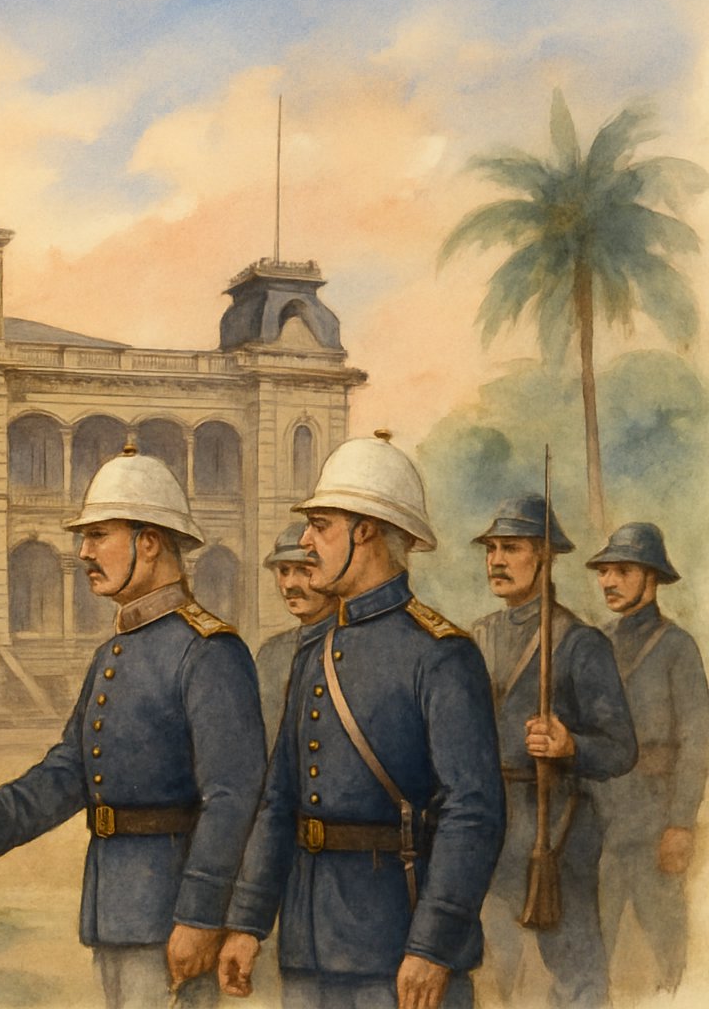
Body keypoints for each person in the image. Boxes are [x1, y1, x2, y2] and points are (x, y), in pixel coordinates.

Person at [0, 445, 267, 1008]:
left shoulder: (209, 651)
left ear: (149, 542)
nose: (83, 551)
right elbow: (69, 771)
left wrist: (200, 915)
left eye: (98, 535)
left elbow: (234, 798)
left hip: (172, 915)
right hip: (115, 910)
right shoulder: (113, 652)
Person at [218, 431, 505, 1009]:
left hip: (397, 950)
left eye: (320, 525)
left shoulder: (441, 654)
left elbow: (472, 813)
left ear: (366, 531)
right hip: (307, 945)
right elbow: (279, 801)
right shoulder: (314, 650)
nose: (305, 541)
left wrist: (432, 945)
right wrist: (248, 922)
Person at [468, 495, 636, 1007]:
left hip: (556, 832)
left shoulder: (580, 643)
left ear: (545, 556)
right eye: (491, 548)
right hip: (489, 827)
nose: (496, 560)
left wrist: (570, 745)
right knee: (488, 969)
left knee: (576, 974)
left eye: (512, 548)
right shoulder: (476, 637)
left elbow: (621, 748)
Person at [587, 522, 708, 995]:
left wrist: (680, 824)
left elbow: (697, 742)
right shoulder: (594, 643)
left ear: (651, 577)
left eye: (622, 571)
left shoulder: (677, 647)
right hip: (598, 820)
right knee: (593, 949)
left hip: (654, 821)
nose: (608, 581)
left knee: (665, 945)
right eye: (604, 571)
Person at [252, 522, 336, 744]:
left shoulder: (355, 647)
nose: (289, 584)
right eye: (283, 571)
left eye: (303, 570)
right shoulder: (270, 653)